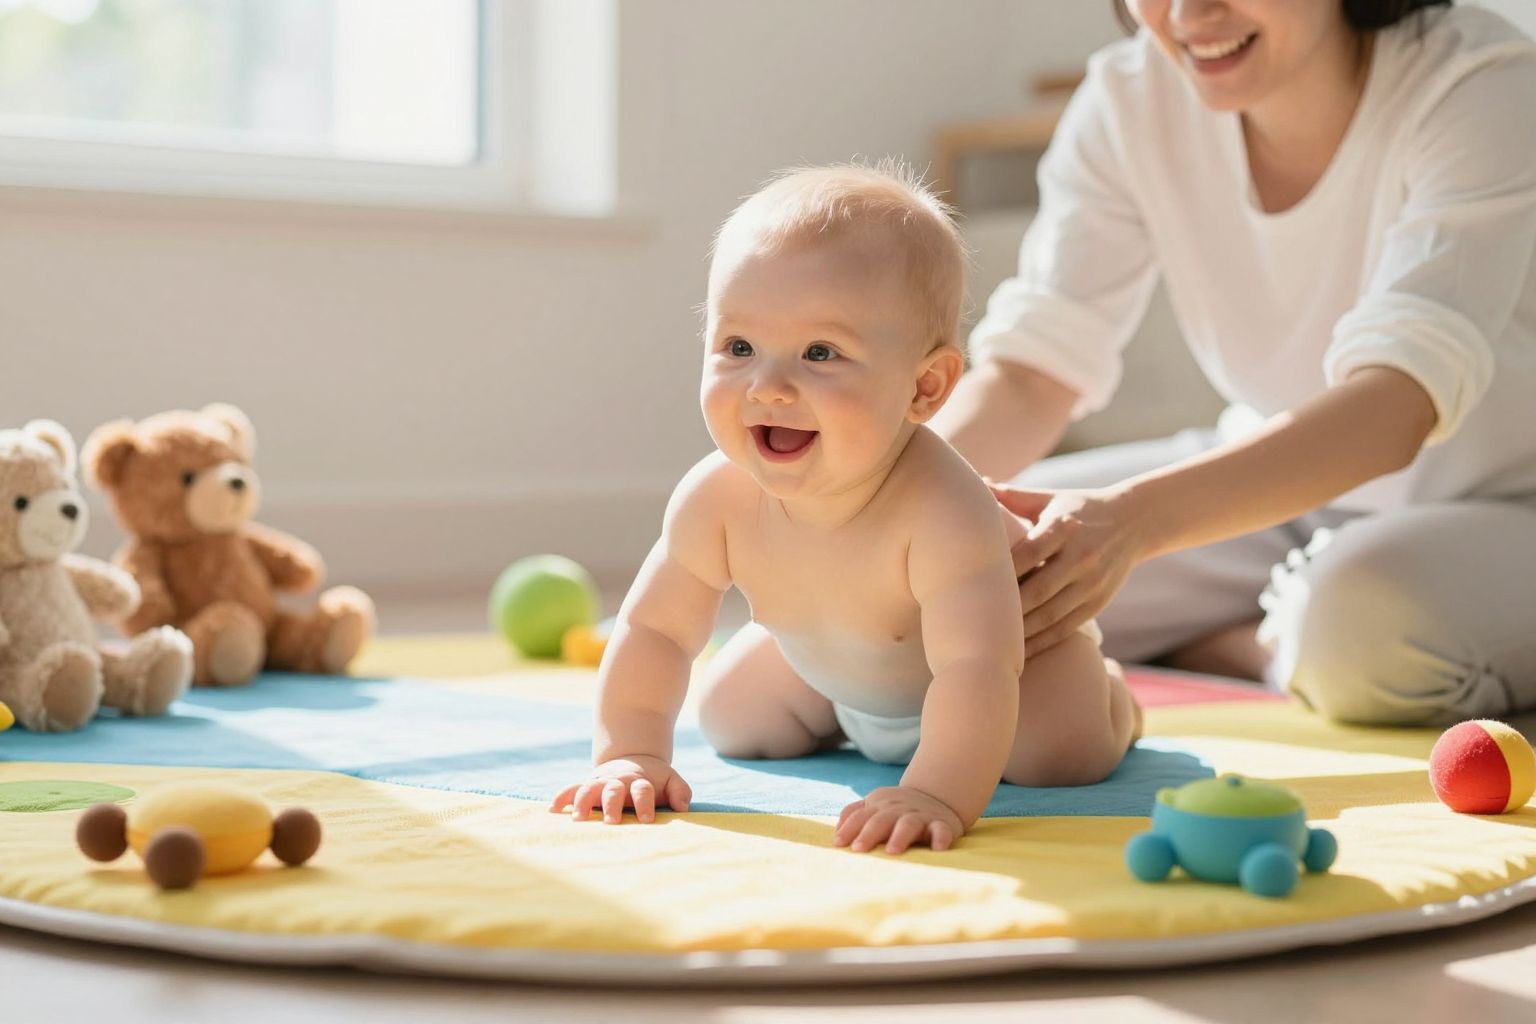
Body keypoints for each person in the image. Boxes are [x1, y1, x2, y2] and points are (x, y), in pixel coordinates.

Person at [928, 0, 1536, 726]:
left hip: (1502, 505)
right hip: (1272, 492)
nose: (1188, 12)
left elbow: (1397, 404)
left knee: (1355, 631)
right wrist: (881, 497)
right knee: (967, 570)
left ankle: (1246, 651)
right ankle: (1262, 640)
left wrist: (1131, 524)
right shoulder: (1131, 98)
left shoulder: (1483, 85)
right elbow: (1032, 371)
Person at [551, 164, 1140, 854]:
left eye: (820, 353)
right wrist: (631, 754)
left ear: (924, 388)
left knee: (1056, 757)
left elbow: (974, 669)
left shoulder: (943, 509)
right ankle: (837, 696)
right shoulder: (718, 498)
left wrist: (934, 792)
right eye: (738, 347)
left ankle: (1116, 701)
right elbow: (655, 631)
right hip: (840, 676)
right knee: (734, 718)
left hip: (1012, 670)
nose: (768, 387)